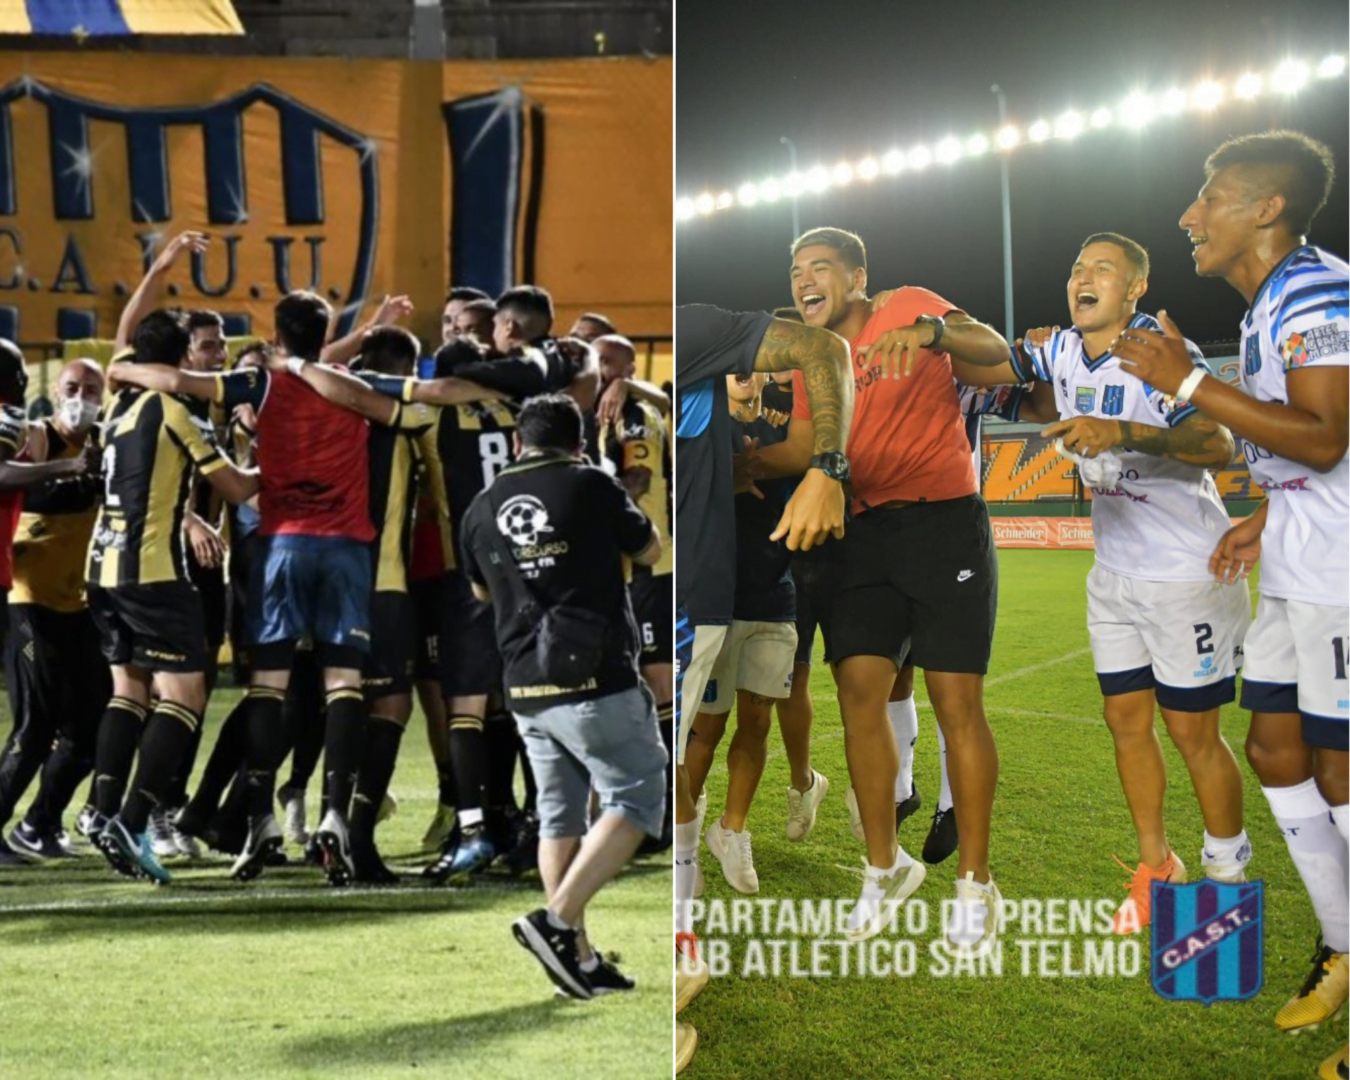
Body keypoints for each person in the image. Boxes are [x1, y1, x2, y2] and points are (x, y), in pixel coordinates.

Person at [1113, 130, 1347, 1078]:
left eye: (1210, 197)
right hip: (1298, 553)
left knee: (1341, 768)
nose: (1188, 216)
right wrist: (1261, 513)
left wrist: (1187, 381)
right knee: (1275, 748)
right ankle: (1342, 946)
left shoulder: (1318, 287)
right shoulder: (1266, 309)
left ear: (1267, 210)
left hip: (1341, 571)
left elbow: (1327, 436)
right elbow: (1299, 458)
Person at [110, 292, 425, 885]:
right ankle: (333, 815)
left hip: (281, 548)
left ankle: (259, 818)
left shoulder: (257, 384)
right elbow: (395, 401)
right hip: (347, 551)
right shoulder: (347, 387)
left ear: (276, 334)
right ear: (326, 331)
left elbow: (177, 378)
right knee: (342, 684)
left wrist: (121, 368)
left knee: (268, 686)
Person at [776, 227, 1020, 950]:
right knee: (860, 696)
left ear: (857, 277)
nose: (804, 281)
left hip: (944, 527)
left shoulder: (908, 306)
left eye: (820, 268)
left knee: (956, 704)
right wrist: (734, 458)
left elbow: (1000, 357)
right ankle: (884, 868)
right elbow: (798, 447)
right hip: (860, 535)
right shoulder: (806, 358)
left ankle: (975, 884)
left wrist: (936, 334)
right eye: (795, 272)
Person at [1017, 232, 1251, 934]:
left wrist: (1121, 430)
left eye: (1103, 270)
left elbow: (1218, 441)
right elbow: (1009, 373)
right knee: (1125, 722)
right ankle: (1159, 866)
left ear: (1135, 288)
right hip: (1113, 574)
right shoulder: (1061, 351)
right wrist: (937, 337)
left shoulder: (1156, 353)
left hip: (1187, 575)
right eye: (1076, 266)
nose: (1082, 277)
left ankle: (1224, 883)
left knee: (1193, 733)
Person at [673, 304, 852, 1072]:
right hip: (652, 598)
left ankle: (681, 949)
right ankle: (680, 943)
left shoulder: (698, 335)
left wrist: (825, 469)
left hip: (709, 600)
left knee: (707, 748)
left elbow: (824, 349)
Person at [459, 392, 664, 999]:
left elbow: (479, 593)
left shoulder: (481, 504)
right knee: (640, 793)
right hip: (593, 670)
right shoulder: (592, 483)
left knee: (560, 816)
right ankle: (555, 920)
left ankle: (574, 956)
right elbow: (650, 549)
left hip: (523, 678)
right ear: (577, 441)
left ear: (518, 442)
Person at [86, 310, 259, 883]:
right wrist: (280, 461)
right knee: (185, 698)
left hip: (103, 569)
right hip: (154, 574)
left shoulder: (118, 409)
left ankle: (101, 809)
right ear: (184, 356)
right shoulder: (175, 411)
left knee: (128, 691)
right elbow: (235, 487)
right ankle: (133, 822)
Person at [684, 370, 797, 894]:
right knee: (704, 732)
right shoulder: (702, 434)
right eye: (734, 365)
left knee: (757, 722)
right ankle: (685, 840)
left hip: (776, 597)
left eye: (752, 364)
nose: (745, 373)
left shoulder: (784, 435)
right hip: (718, 605)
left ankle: (732, 830)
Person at [0, 358, 107, 861]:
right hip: (28, 598)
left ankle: (40, 823)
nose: (80, 397)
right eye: (71, 387)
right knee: (35, 725)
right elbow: (16, 481)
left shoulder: (105, 444)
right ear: (54, 391)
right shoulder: (37, 435)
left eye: (90, 388)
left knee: (93, 723)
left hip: (75, 602)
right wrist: (73, 472)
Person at [596, 333, 675, 853]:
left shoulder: (634, 413)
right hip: (625, 569)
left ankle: (665, 813)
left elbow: (639, 477)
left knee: (657, 681)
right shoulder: (603, 410)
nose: (599, 368)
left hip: (650, 564)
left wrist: (582, 501)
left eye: (607, 359)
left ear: (627, 363)